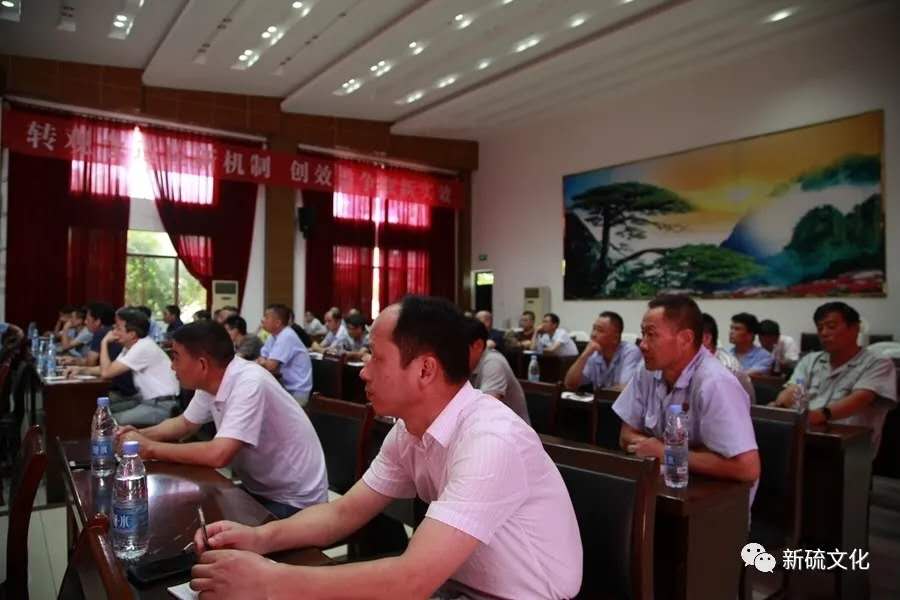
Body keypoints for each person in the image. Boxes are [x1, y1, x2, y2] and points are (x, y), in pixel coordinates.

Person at [190, 296, 582, 598]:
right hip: (452, 587)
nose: (364, 371)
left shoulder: (490, 440)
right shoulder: (408, 430)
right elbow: (342, 513)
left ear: (425, 369)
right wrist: (259, 538)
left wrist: (270, 581)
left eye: (377, 359)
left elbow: (410, 579)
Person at [116, 321, 328, 518]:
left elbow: (219, 455)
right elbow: (185, 424)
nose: (172, 366)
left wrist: (150, 448)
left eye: (176, 357)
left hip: (294, 501)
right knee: (189, 510)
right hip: (260, 489)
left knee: (202, 529)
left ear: (202, 364)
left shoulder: (249, 382)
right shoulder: (213, 380)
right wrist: (137, 435)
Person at [613, 295, 760, 490]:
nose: (643, 344)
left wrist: (668, 453)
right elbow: (626, 434)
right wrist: (663, 449)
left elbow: (747, 468)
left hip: (716, 498)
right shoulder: (647, 370)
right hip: (663, 486)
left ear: (685, 339)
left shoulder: (716, 382)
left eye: (651, 334)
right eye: (643, 333)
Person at [772, 302, 897, 453]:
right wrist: (780, 405)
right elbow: (794, 389)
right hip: (805, 438)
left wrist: (818, 415)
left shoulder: (878, 362)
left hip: (850, 448)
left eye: (831, 326)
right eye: (820, 328)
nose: (824, 333)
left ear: (855, 328)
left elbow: (861, 398)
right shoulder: (810, 360)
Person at [99, 307, 180, 425]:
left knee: (108, 422)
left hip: (161, 406)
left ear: (132, 334)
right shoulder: (131, 346)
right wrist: (81, 369)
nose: (113, 332)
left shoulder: (143, 347)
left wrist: (104, 342)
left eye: (118, 328)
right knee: (104, 411)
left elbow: (106, 373)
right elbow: (110, 368)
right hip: (146, 401)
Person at [61, 302, 140, 409]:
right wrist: (76, 363)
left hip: (119, 392)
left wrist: (79, 368)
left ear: (97, 321)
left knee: (79, 401)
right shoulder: (110, 333)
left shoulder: (103, 333)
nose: (85, 322)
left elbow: (91, 363)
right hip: (124, 389)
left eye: (87, 319)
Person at [464, 317, 531, 424]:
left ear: (477, 345)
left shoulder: (493, 362)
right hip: (485, 427)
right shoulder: (465, 363)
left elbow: (486, 410)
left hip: (510, 430)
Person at [564, 311, 643, 391]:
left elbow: (624, 389)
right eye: (593, 329)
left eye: (600, 330)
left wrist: (600, 393)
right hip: (599, 399)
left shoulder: (630, 352)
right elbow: (570, 384)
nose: (593, 334)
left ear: (615, 338)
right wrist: (584, 355)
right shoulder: (593, 353)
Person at [257, 304, 313, 406]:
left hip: (297, 392)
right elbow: (262, 357)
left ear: (277, 323)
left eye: (266, 317)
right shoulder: (273, 335)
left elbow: (270, 366)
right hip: (285, 387)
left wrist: (264, 362)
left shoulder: (287, 336)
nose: (262, 320)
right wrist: (264, 361)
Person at [700, 313, 755, 402]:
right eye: (731, 328)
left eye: (688, 337)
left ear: (706, 338)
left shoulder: (727, 367)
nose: (731, 332)